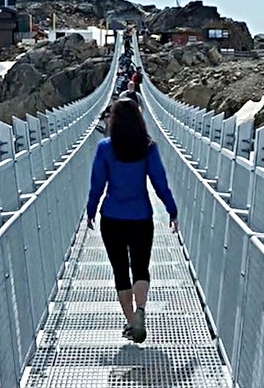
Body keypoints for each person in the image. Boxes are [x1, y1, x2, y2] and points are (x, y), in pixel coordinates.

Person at [87, 99, 178, 344]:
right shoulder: (148, 147)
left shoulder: (105, 148)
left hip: (112, 218)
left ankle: (130, 323)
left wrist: (91, 209)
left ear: (113, 120)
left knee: (120, 271)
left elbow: (97, 184)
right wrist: (172, 210)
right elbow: (160, 182)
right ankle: (141, 311)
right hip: (140, 217)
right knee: (140, 267)